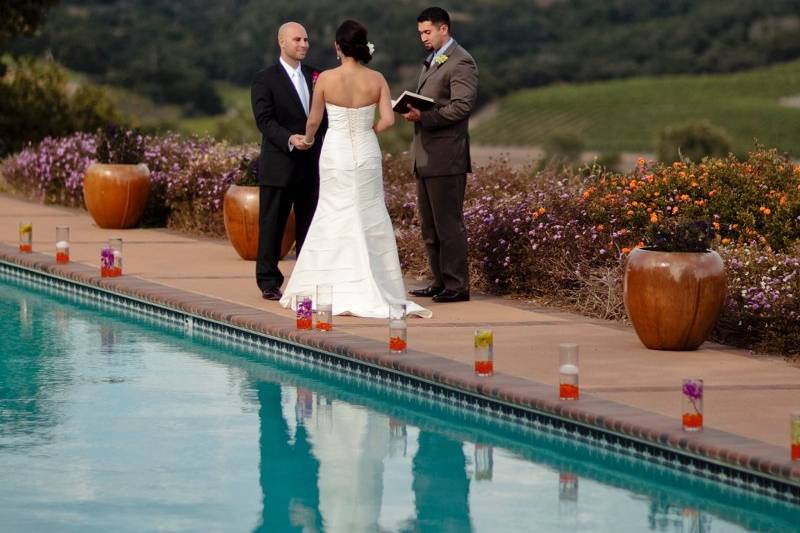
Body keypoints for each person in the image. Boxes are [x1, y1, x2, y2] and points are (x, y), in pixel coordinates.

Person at [280, 20, 431, 318]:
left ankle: (326, 283)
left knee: (333, 211)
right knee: (368, 211)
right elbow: (388, 120)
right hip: (365, 152)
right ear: (362, 46)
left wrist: (309, 139)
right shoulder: (376, 78)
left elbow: (313, 119)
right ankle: (376, 284)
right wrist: (368, 130)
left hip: (335, 152)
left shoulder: (325, 78)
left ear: (338, 47)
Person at [402, 7, 478, 303]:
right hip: (425, 156)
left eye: (427, 32)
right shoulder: (433, 59)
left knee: (448, 224)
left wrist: (424, 116)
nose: (423, 37)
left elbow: (461, 106)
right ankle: (439, 280)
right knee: (430, 225)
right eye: (420, 32)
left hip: (447, 156)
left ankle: (457, 285)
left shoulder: (462, 61)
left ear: (443, 28)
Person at [250, 22, 327, 301]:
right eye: (297, 39)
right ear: (281, 42)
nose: (304, 44)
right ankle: (268, 281)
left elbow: (324, 117)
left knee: (309, 226)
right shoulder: (264, 79)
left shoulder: (317, 75)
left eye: (306, 39)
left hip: (311, 166)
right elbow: (265, 121)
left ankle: (305, 280)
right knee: (272, 226)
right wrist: (290, 139)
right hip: (279, 164)